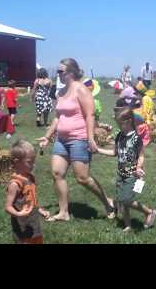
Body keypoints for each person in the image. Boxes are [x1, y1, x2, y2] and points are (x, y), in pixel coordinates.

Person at [37, 58, 115, 222]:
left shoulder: (81, 90)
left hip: (79, 139)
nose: (57, 74)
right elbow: (57, 118)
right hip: (62, 140)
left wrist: (90, 138)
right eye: (57, 71)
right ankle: (64, 212)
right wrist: (47, 136)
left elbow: (90, 115)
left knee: (82, 178)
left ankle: (108, 203)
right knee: (57, 173)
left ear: (71, 73)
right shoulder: (60, 92)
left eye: (61, 71)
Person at [97, 107, 156, 232]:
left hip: (133, 175)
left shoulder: (136, 138)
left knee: (126, 200)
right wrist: (98, 150)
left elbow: (141, 156)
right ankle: (128, 225)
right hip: (121, 174)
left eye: (120, 123)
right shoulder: (119, 136)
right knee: (122, 201)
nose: (118, 125)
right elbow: (114, 153)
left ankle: (149, 212)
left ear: (129, 121)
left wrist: (139, 167)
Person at [5, 140, 50, 244]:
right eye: (30, 162)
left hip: (33, 221)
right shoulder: (15, 184)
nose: (33, 165)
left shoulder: (30, 177)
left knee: (37, 240)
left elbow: (30, 199)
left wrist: (39, 210)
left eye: (34, 161)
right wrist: (18, 214)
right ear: (16, 162)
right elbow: (8, 207)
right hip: (22, 224)